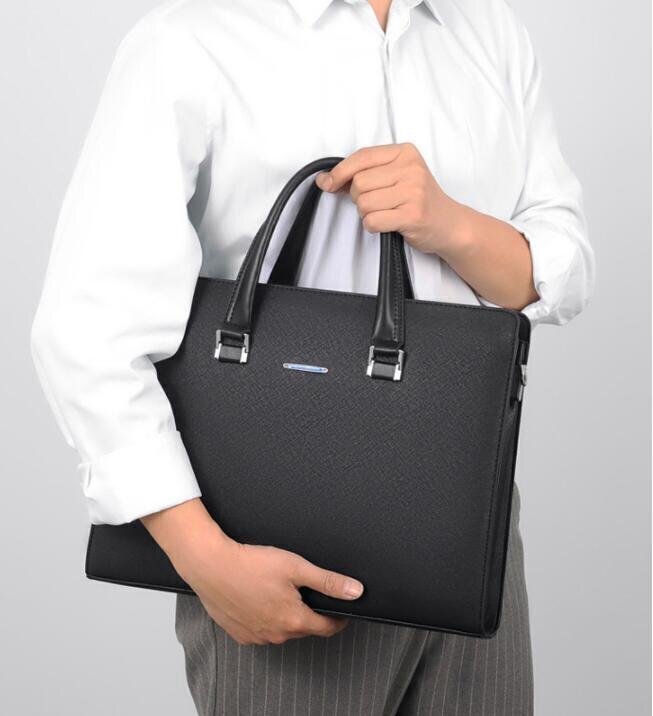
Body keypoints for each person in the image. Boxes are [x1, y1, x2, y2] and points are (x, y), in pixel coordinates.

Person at [31, 0, 594, 713]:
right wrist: (204, 559)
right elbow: (87, 326)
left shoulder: (489, 31)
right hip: (275, 552)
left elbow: (561, 271)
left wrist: (449, 224)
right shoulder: (189, 39)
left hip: (469, 526)